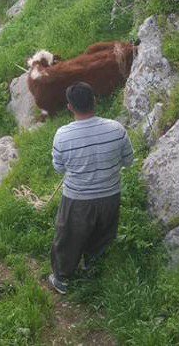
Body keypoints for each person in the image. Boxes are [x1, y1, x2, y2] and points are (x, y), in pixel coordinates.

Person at [48, 82, 134, 294]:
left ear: (70, 107)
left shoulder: (62, 135)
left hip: (77, 200)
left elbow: (59, 168)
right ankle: (92, 268)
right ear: (95, 100)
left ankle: (62, 278)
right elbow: (128, 161)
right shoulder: (117, 129)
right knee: (103, 234)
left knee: (69, 238)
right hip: (110, 196)